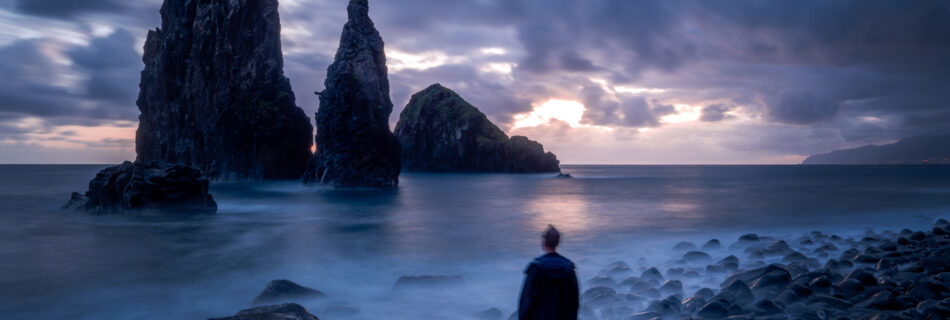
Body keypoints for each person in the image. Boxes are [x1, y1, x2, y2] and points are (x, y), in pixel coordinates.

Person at [518, 225, 579, 320]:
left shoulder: (536, 268)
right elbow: (574, 301)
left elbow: (526, 302)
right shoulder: (568, 268)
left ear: (544, 242)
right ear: (558, 242)